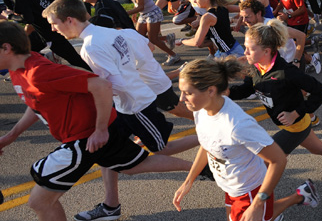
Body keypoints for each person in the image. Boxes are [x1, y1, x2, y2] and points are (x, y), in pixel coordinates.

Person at [0, 21, 188, 221]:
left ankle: (202, 163)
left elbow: (101, 85)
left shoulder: (38, 72)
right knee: (133, 166)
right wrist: (11, 136)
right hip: (90, 134)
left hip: (84, 139)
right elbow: (36, 101)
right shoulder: (17, 70)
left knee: (40, 201)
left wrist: (100, 130)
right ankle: (203, 168)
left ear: (7, 48)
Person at [40, 0, 202, 221]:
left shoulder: (91, 46)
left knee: (161, 149)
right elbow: (138, 55)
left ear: (69, 20)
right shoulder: (108, 33)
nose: (52, 28)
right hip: (126, 105)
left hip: (136, 106)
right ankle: (110, 206)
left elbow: (109, 86)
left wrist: (91, 99)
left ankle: (206, 149)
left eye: (54, 23)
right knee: (109, 155)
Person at [172, 57, 321, 221]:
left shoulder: (238, 125)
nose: (182, 99)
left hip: (250, 190)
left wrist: (257, 203)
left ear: (211, 91)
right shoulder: (201, 110)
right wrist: (188, 181)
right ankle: (301, 195)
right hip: (230, 186)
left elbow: (278, 160)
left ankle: (297, 197)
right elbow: (208, 144)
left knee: (257, 215)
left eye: (188, 93)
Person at [228, 20, 322, 183]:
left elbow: (321, 91)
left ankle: (262, 202)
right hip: (288, 124)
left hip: (295, 127)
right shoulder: (257, 67)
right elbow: (247, 89)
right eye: (245, 47)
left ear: (266, 51)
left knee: (265, 163)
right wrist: (225, 92)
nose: (246, 52)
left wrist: (296, 113)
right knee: (318, 148)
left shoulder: (287, 72)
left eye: (250, 49)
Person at [0, 0, 90, 70]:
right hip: (46, 30)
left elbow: (28, 19)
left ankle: (102, 76)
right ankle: (47, 62)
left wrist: (8, 16)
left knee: (75, 59)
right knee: (22, 52)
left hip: (49, 33)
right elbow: (55, 1)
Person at [118, 0, 181, 66]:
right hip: (143, 14)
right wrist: (134, 13)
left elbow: (141, 6)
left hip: (153, 13)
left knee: (153, 39)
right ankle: (166, 39)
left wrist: (124, 13)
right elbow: (136, 3)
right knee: (139, 37)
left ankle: (174, 55)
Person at [177, 0, 245, 58]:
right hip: (232, 48)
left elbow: (197, 42)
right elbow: (244, 9)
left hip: (230, 53)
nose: (195, 1)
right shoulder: (223, 7)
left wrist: (181, 41)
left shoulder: (208, 17)